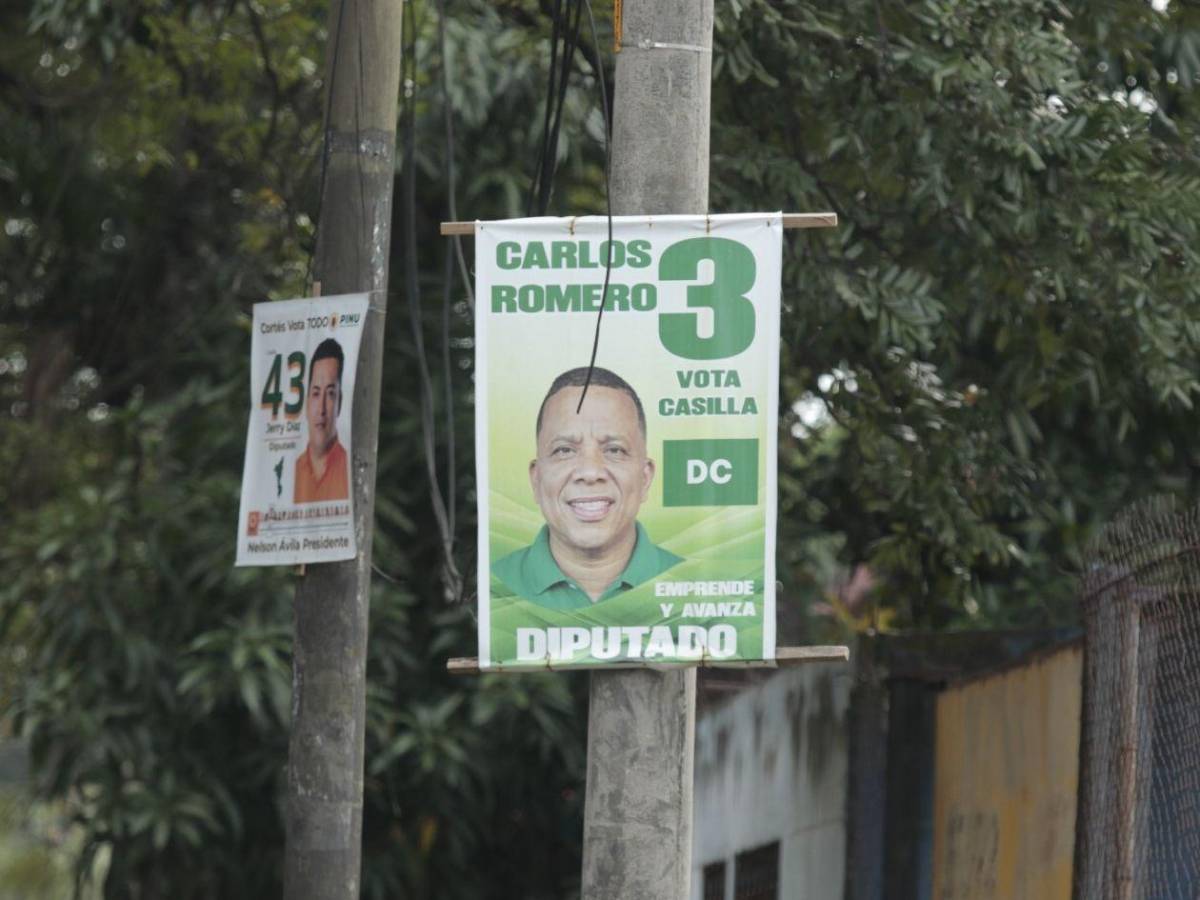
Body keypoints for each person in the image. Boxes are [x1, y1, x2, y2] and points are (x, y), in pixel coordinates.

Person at [492, 366, 681, 609]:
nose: (590, 473)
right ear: (536, 479)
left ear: (645, 478)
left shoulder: (695, 585)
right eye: (564, 450)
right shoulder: (492, 589)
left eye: (614, 450)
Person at [293, 338, 350, 503]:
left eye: (331, 394)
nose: (321, 409)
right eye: (316, 394)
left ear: (340, 402)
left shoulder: (350, 469)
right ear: (306, 401)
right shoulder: (292, 471)